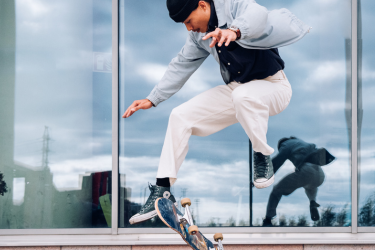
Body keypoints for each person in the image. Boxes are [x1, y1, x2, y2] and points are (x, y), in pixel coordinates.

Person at [124, 0, 310, 225]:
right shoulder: (198, 37)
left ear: (203, 5)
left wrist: (235, 31)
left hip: (274, 87)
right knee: (180, 116)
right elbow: (181, 64)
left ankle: (262, 155)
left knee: (244, 96)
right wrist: (152, 98)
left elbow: (258, 14)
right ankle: (162, 188)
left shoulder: (232, 6)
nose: (189, 28)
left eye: (189, 21)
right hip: (237, 90)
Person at [262, 136, 335, 226]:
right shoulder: (300, 142)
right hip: (320, 174)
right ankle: (312, 202)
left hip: (307, 170)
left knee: (277, 190)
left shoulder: (285, 145)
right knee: (309, 185)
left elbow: (277, 161)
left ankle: (268, 219)